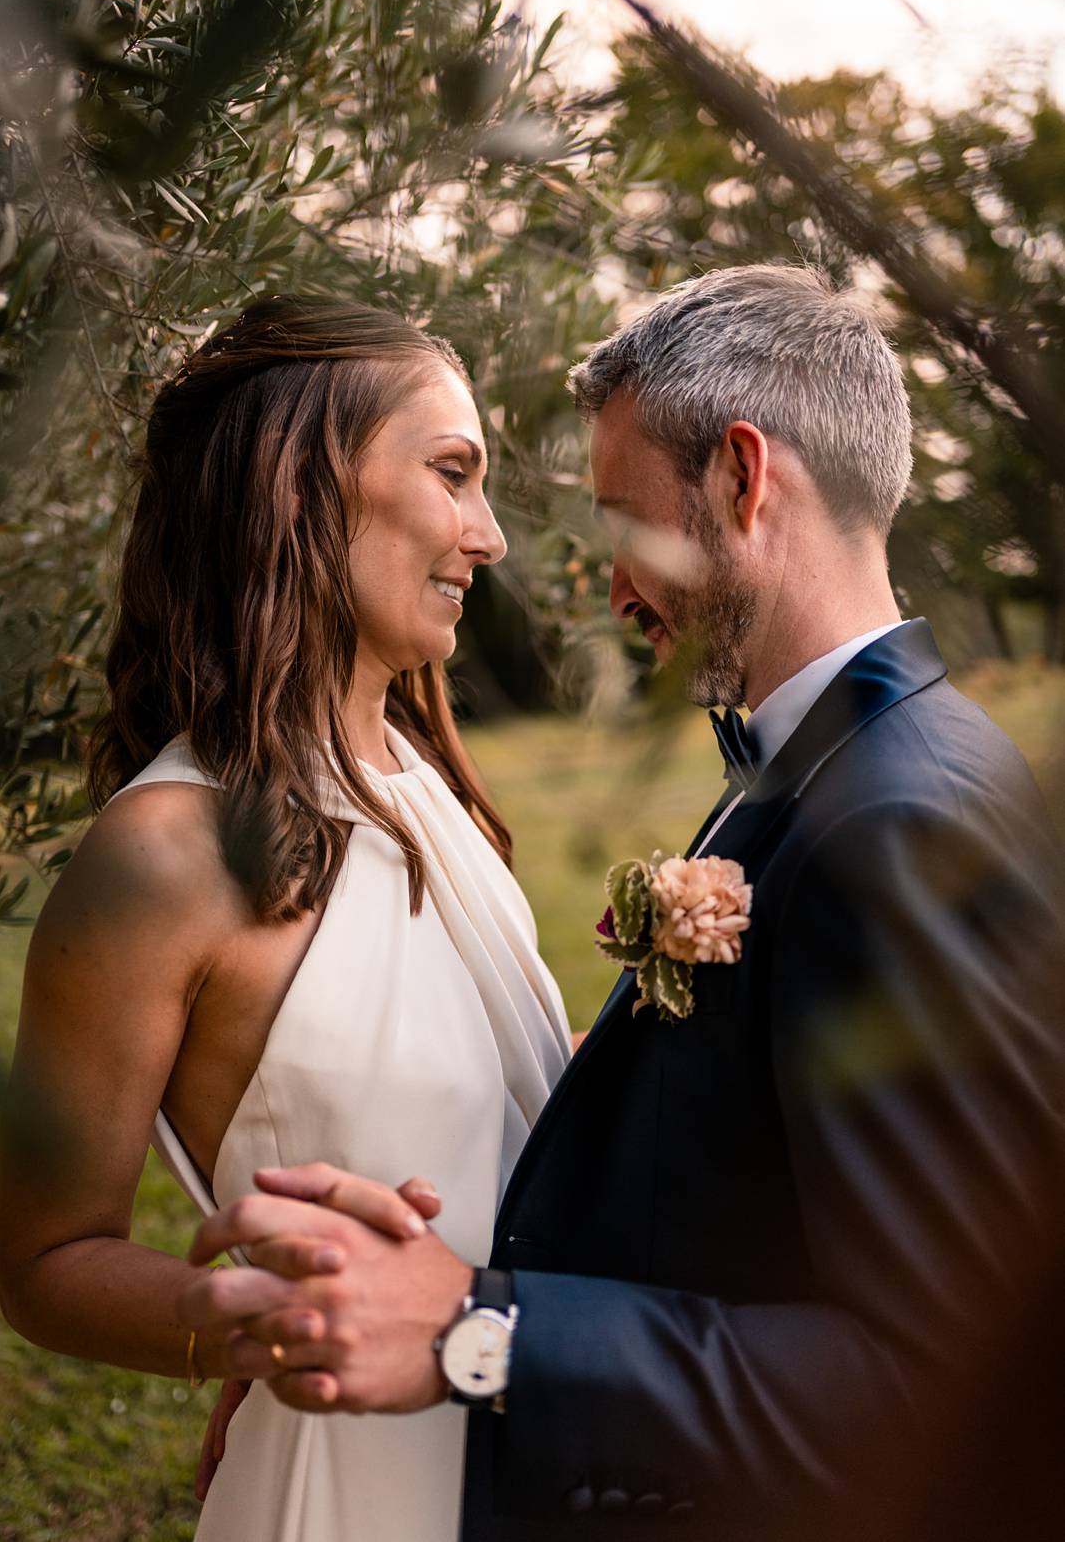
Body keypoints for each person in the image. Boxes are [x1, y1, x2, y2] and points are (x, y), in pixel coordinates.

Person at [181, 264, 1065, 1542]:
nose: (614, 589)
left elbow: (937, 1385)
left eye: (624, 525)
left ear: (742, 478)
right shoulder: (840, 760)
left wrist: (473, 1332)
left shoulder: (892, 818)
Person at [0, 297, 571, 1542]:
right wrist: (274, 1329)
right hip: (349, 1492)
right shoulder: (167, 852)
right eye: (452, 473)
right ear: (298, 486)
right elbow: (43, 1261)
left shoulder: (429, 788)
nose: (488, 536)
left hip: (532, 1452)